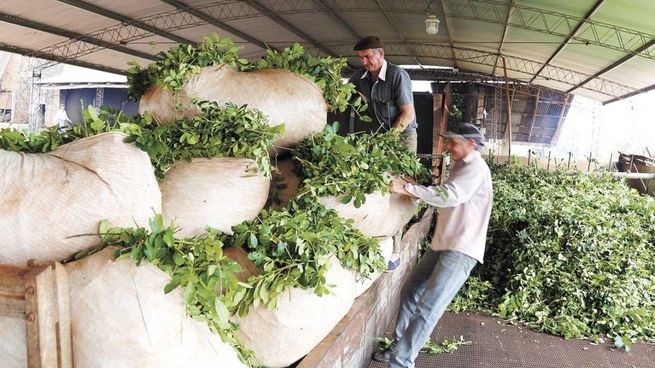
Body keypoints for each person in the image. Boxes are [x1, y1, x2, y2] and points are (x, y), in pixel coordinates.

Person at [374, 122, 493, 368]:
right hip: (442, 243)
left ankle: (402, 362)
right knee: (411, 290)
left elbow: (449, 196)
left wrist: (407, 188)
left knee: (428, 307)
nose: (448, 147)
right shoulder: (459, 165)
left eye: (453, 143)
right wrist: (415, 185)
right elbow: (443, 191)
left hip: (461, 249)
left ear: (471, 144)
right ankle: (399, 346)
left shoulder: (475, 168)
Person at [349, 35, 418, 153]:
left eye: (367, 57)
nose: (364, 62)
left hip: (403, 137)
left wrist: (388, 139)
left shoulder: (398, 75)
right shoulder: (358, 78)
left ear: (380, 53)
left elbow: (408, 114)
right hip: (377, 137)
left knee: (399, 171)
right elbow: (343, 96)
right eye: (361, 58)